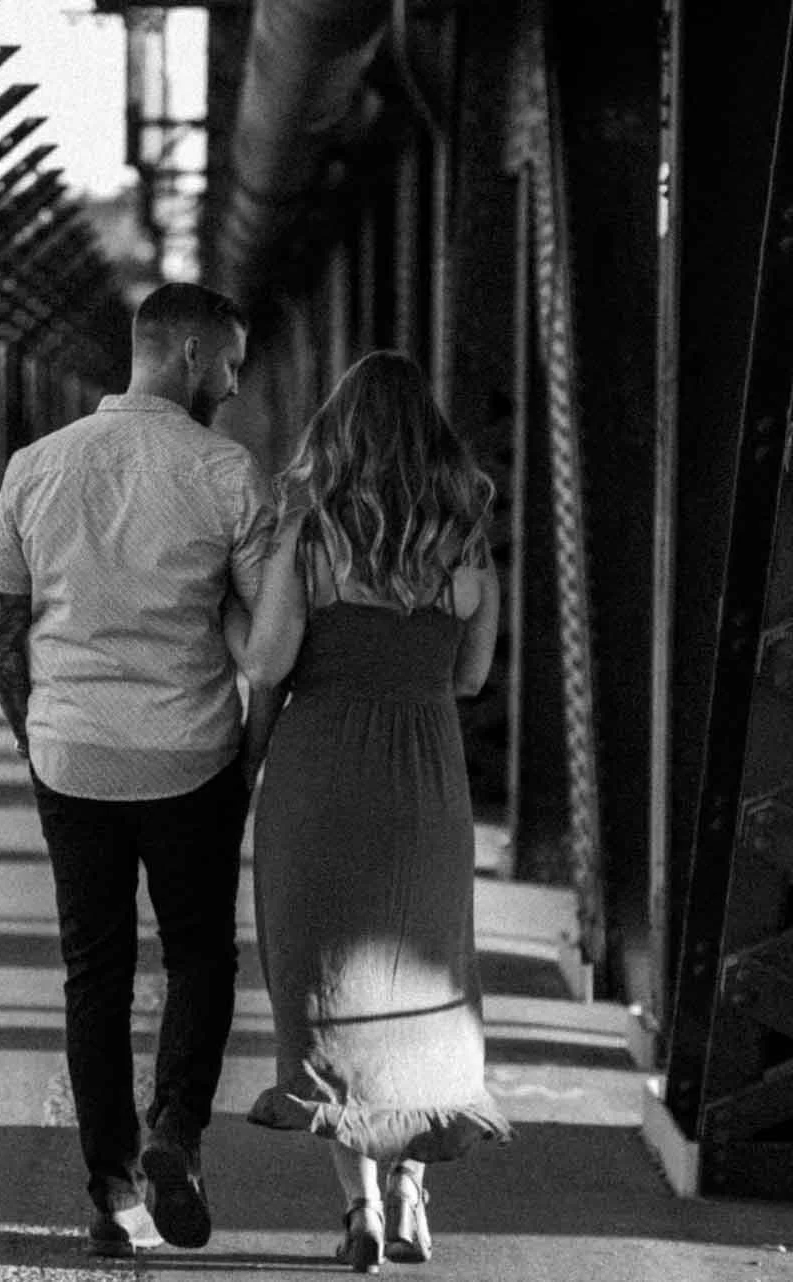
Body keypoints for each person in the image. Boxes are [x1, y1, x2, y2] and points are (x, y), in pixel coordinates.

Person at [0, 282, 274, 1259]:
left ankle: (110, 1189)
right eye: (230, 362)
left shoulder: (38, 465)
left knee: (94, 973)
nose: (233, 385)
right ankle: (175, 1130)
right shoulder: (227, 471)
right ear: (189, 354)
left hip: (73, 755)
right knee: (200, 956)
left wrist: (34, 730)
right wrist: (253, 736)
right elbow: (271, 636)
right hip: (193, 756)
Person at [226, 350, 512, 1274]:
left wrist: (229, 628)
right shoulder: (465, 538)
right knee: (422, 989)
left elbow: (267, 664)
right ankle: (416, 1196)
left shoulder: (306, 535)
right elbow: (470, 676)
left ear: (334, 438)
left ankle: (361, 1210)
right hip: (425, 779)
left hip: (320, 776)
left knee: (328, 995)